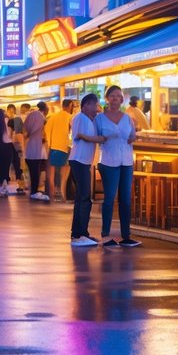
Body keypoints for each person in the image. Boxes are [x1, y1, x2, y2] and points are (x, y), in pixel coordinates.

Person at [95, 86, 140, 248]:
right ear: (107, 98)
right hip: (108, 161)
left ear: (122, 99)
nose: (115, 98)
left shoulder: (127, 118)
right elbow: (96, 138)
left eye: (118, 96)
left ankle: (126, 235)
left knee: (125, 199)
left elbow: (132, 135)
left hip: (126, 161)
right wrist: (104, 137)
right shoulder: (100, 119)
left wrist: (133, 137)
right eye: (112, 96)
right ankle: (105, 235)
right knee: (109, 199)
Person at [68, 94, 100, 247]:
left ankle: (79, 233)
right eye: (94, 105)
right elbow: (80, 136)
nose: (96, 108)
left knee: (82, 197)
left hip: (83, 160)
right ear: (86, 105)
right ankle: (80, 233)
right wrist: (100, 138)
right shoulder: (80, 118)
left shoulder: (88, 119)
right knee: (84, 197)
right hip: (79, 160)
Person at [46, 98, 75, 202]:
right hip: (65, 148)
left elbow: (47, 130)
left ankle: (52, 193)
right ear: (70, 105)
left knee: (52, 172)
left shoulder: (53, 117)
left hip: (53, 147)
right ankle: (62, 195)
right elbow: (74, 132)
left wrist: (50, 144)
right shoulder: (70, 117)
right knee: (64, 174)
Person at [23, 101, 48, 201]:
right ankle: (34, 192)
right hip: (35, 150)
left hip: (30, 149)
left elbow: (26, 129)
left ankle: (34, 191)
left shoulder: (31, 115)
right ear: (45, 109)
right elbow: (35, 130)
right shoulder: (40, 117)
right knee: (35, 172)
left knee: (34, 172)